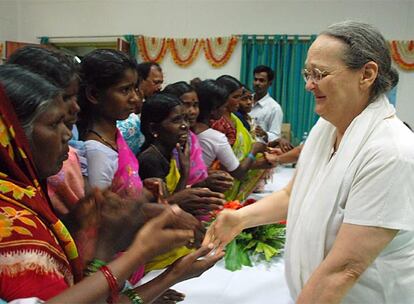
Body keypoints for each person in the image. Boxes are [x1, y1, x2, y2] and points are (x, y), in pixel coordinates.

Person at [205, 21, 414, 303]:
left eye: (319, 74)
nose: (308, 85)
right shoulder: (324, 128)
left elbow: (345, 269)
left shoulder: (390, 152)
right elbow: (295, 193)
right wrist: (241, 217)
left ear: (366, 74)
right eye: (307, 73)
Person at [0, 65, 222, 303]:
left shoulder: (27, 194)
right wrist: (141, 252)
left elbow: (83, 285)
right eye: (55, 123)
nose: (67, 134)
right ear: (11, 135)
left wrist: (103, 235)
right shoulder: (13, 226)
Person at [193, 79, 273, 201]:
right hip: (208, 192)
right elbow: (237, 172)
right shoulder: (216, 133)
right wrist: (254, 150)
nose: (241, 102)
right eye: (236, 97)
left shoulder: (189, 130)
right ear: (214, 109)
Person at [163, 81, 234, 193]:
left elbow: (196, 174)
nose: (193, 111)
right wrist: (203, 183)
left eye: (195, 105)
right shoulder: (164, 145)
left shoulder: (191, 138)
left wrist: (208, 174)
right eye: (186, 105)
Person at [251, 65, 292, 151]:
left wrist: (265, 134)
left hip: (259, 152)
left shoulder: (274, 108)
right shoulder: (245, 101)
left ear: (270, 83)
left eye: (261, 80)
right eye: (255, 79)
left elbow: (276, 136)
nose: (257, 83)